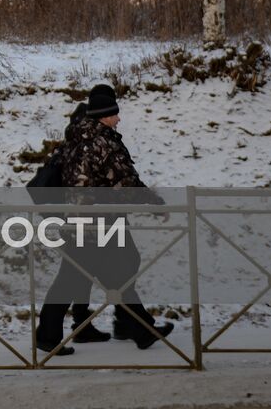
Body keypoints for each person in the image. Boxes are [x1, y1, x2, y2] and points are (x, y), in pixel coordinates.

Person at [34, 84, 175, 356]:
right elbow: (126, 181)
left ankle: (136, 329)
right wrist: (154, 203)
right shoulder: (103, 142)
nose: (119, 118)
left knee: (105, 273)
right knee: (92, 276)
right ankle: (134, 329)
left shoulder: (75, 139)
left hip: (79, 220)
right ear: (104, 116)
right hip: (100, 223)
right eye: (115, 114)